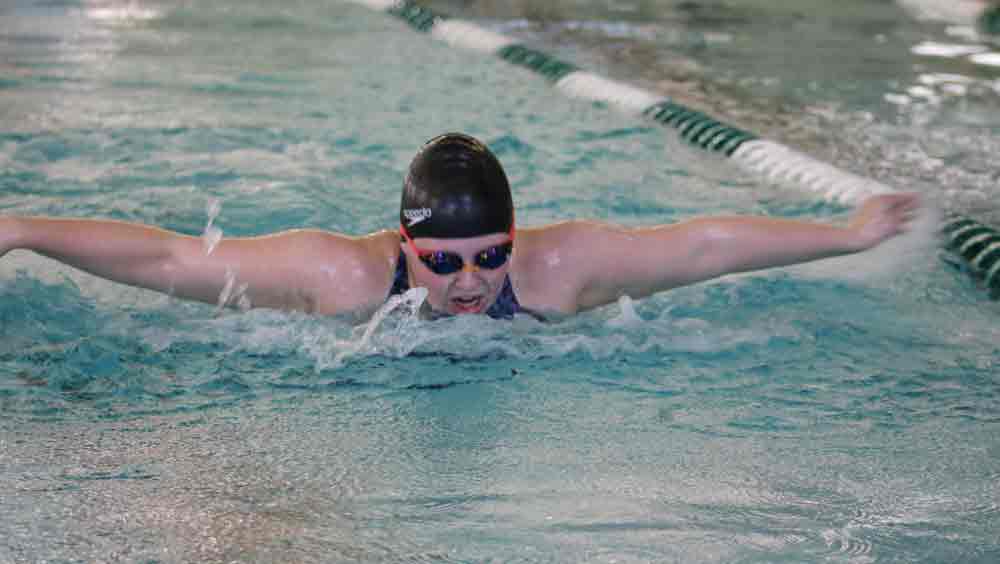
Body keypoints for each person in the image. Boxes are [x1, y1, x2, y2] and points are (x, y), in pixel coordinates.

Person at [0, 132, 919, 321]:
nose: (471, 281)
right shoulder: (340, 276)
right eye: (441, 261)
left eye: (491, 256)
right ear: (404, 244)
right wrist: (22, 229)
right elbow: (170, 256)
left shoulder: (561, 268)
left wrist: (847, 234)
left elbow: (704, 245)